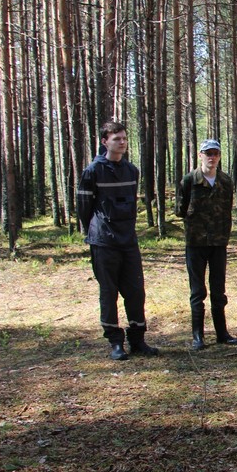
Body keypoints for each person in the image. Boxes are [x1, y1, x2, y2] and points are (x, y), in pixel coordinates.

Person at [77, 121, 159, 361]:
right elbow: (84, 208)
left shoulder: (131, 171)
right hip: (103, 242)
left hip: (128, 240)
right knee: (108, 291)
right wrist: (95, 232)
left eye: (124, 138)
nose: (121, 142)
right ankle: (115, 342)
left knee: (135, 291)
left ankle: (137, 339)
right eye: (116, 139)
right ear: (105, 142)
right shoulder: (93, 171)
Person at [176, 139, 237, 350]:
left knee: (218, 290)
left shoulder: (225, 181)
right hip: (195, 243)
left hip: (218, 244)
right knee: (197, 291)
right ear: (200, 155)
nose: (211, 157)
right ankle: (198, 336)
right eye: (207, 153)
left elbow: (227, 209)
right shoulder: (189, 180)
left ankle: (222, 333)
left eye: (215, 153)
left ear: (219, 156)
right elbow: (180, 209)